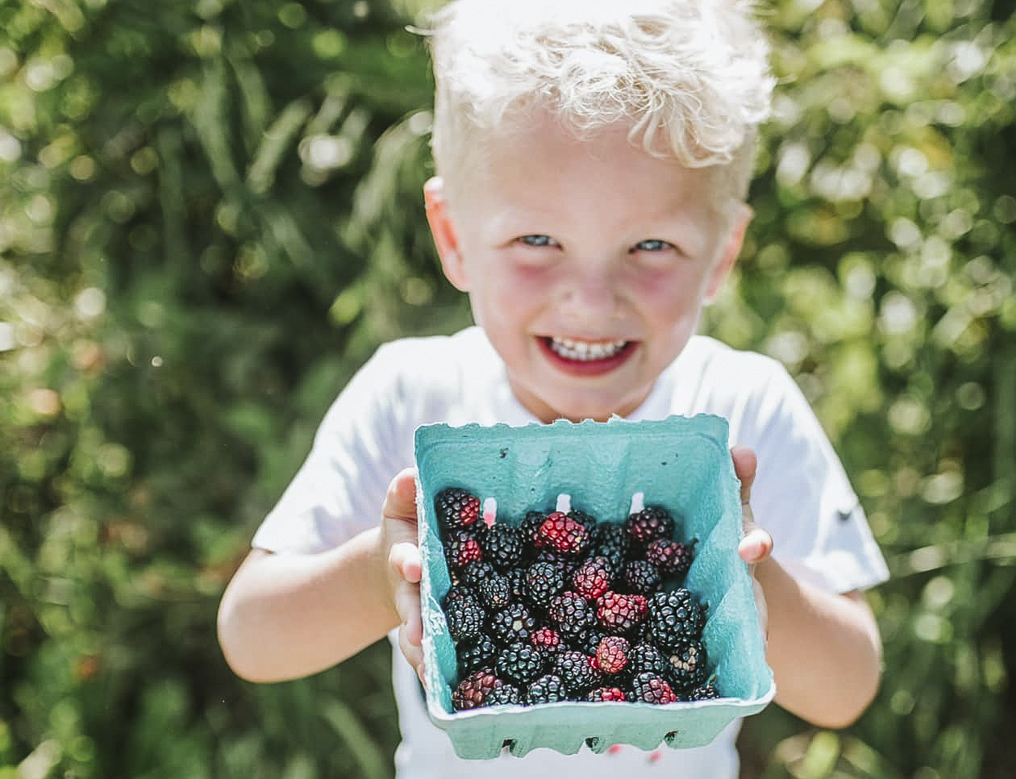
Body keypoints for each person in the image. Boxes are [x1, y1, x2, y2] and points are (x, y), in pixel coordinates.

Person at [217, 0, 890, 776]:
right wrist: (378, 573)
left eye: (651, 244)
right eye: (538, 239)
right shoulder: (410, 396)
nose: (592, 299)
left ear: (722, 254)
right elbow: (251, 634)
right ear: (453, 238)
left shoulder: (747, 408)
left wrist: (748, 578)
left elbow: (847, 687)